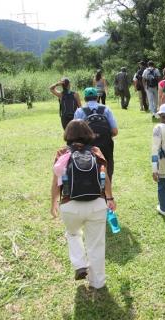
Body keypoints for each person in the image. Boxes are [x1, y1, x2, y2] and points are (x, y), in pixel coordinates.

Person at [50, 119, 116, 290]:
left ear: (68, 135)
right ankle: (98, 282)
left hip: (70, 205)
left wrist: (53, 203)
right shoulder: (96, 151)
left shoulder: (62, 153)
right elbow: (105, 177)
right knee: (96, 244)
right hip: (97, 204)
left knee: (73, 234)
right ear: (88, 133)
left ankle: (79, 264)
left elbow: (56, 181)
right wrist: (110, 198)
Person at [74, 87, 118, 181]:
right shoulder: (106, 110)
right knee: (108, 165)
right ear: (97, 97)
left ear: (85, 99)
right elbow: (115, 131)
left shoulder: (79, 111)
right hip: (106, 146)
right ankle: (107, 188)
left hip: (87, 147)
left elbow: (75, 134)